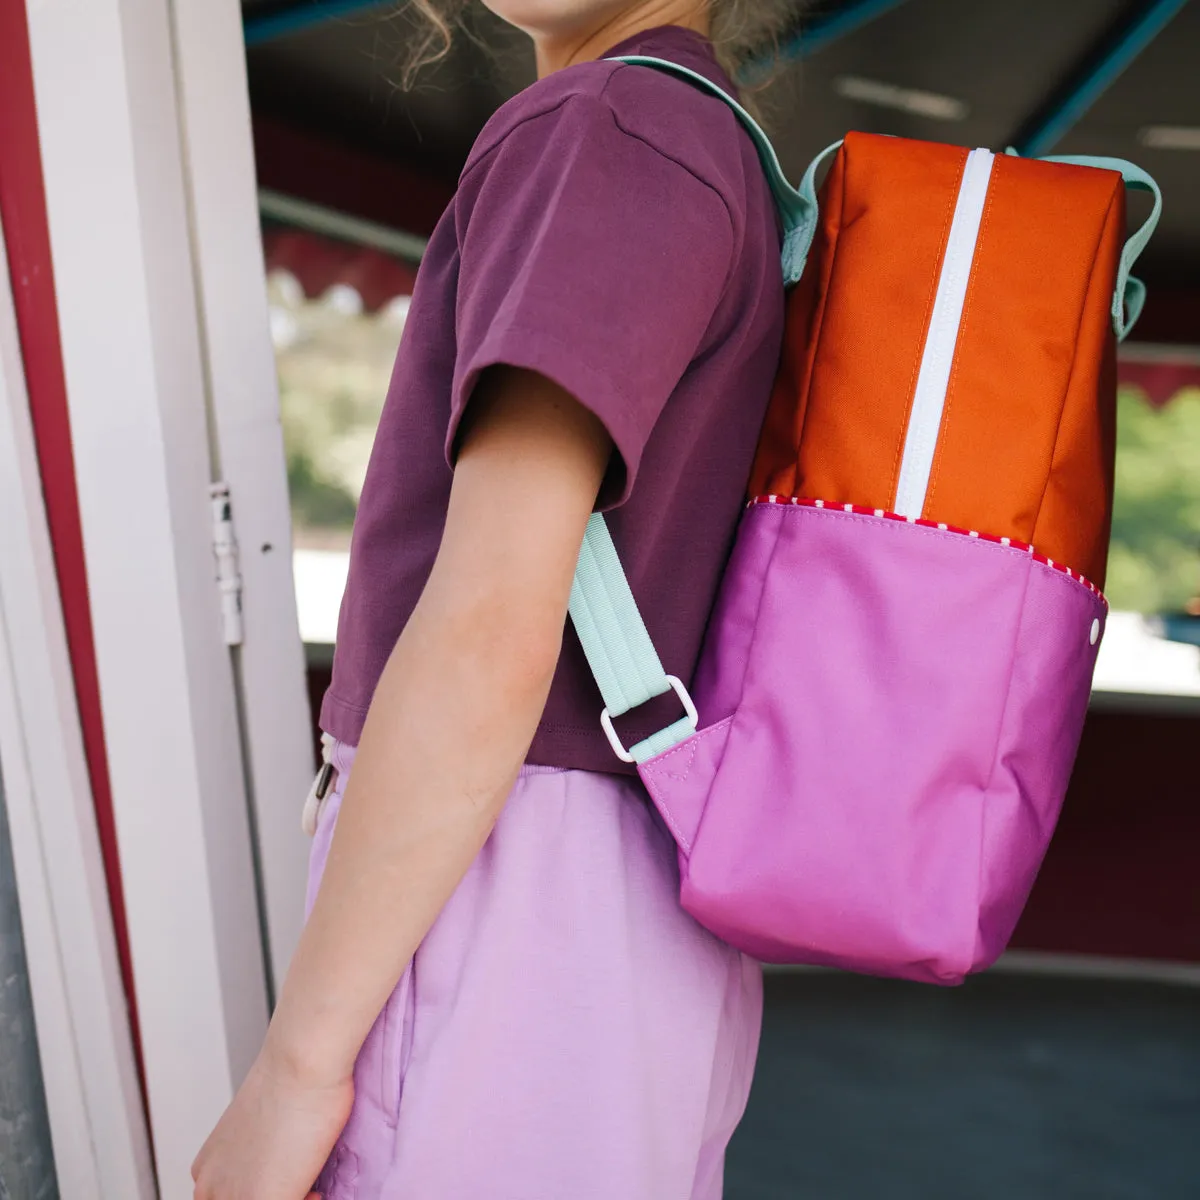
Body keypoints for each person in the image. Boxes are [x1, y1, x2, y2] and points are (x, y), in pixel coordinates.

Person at [192, 1, 792, 1196]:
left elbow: (485, 630)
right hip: (639, 903)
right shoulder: (710, 142)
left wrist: (295, 1072)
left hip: (511, 891)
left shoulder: (604, 128)